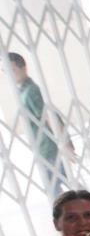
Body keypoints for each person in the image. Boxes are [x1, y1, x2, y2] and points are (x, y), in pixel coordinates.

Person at [8, 52, 73, 199]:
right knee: (62, 182)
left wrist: (65, 141)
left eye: (13, 70)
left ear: (24, 68)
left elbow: (48, 115)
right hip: (42, 146)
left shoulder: (31, 91)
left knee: (56, 185)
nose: (10, 75)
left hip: (47, 146)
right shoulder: (23, 91)